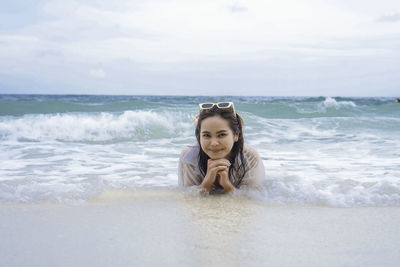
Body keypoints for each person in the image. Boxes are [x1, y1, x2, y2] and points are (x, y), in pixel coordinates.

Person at [178, 102, 265, 194]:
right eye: (207, 135)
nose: (214, 143)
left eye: (221, 135)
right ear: (199, 137)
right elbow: (187, 200)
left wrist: (227, 185)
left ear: (236, 134)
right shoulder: (189, 157)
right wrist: (206, 183)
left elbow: (252, 201)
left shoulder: (248, 156)